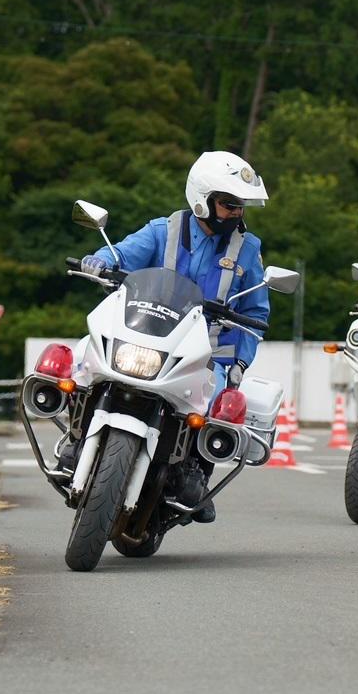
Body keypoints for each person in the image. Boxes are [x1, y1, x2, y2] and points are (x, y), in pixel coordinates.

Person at [77, 150, 271, 523]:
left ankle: (193, 473)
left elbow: (256, 313)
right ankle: (77, 438)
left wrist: (240, 364)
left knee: (219, 407)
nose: (237, 213)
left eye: (240, 206)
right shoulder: (162, 230)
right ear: (203, 199)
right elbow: (123, 253)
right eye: (229, 204)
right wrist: (100, 260)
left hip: (208, 353)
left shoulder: (248, 249)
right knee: (84, 361)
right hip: (149, 334)